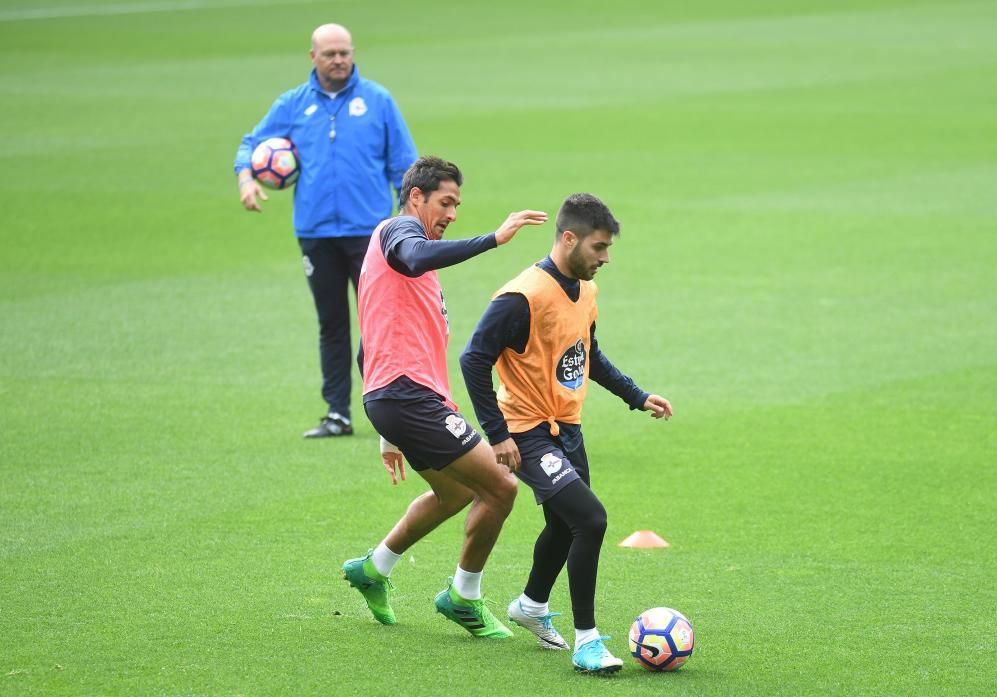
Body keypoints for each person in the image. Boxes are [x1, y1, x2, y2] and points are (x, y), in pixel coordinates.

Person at [459, 193, 673, 674]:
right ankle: (588, 641)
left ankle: (531, 606)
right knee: (591, 520)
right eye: (599, 247)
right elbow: (473, 358)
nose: (605, 258)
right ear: (569, 238)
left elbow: (588, 356)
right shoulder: (522, 296)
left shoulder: (586, 292)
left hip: (567, 430)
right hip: (527, 431)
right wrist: (497, 434)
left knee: (563, 525)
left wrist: (637, 396)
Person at [341, 156, 548, 639]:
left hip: (399, 400)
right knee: (501, 486)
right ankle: (463, 596)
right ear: (417, 196)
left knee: (455, 492)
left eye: (457, 203)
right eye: (446, 202)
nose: (453, 212)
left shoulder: (401, 266)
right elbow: (414, 256)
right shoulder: (397, 233)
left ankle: (373, 569)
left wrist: (384, 428)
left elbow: (367, 346)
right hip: (408, 397)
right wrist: (493, 240)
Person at [234, 23, 418, 438]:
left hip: (370, 235)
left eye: (345, 53)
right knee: (332, 324)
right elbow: (250, 144)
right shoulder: (292, 105)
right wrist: (247, 178)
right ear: (312, 57)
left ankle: (387, 411)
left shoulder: (378, 101)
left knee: (378, 324)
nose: (339, 60)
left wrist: (411, 222)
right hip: (316, 232)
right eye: (330, 54)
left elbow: (404, 167)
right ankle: (338, 413)